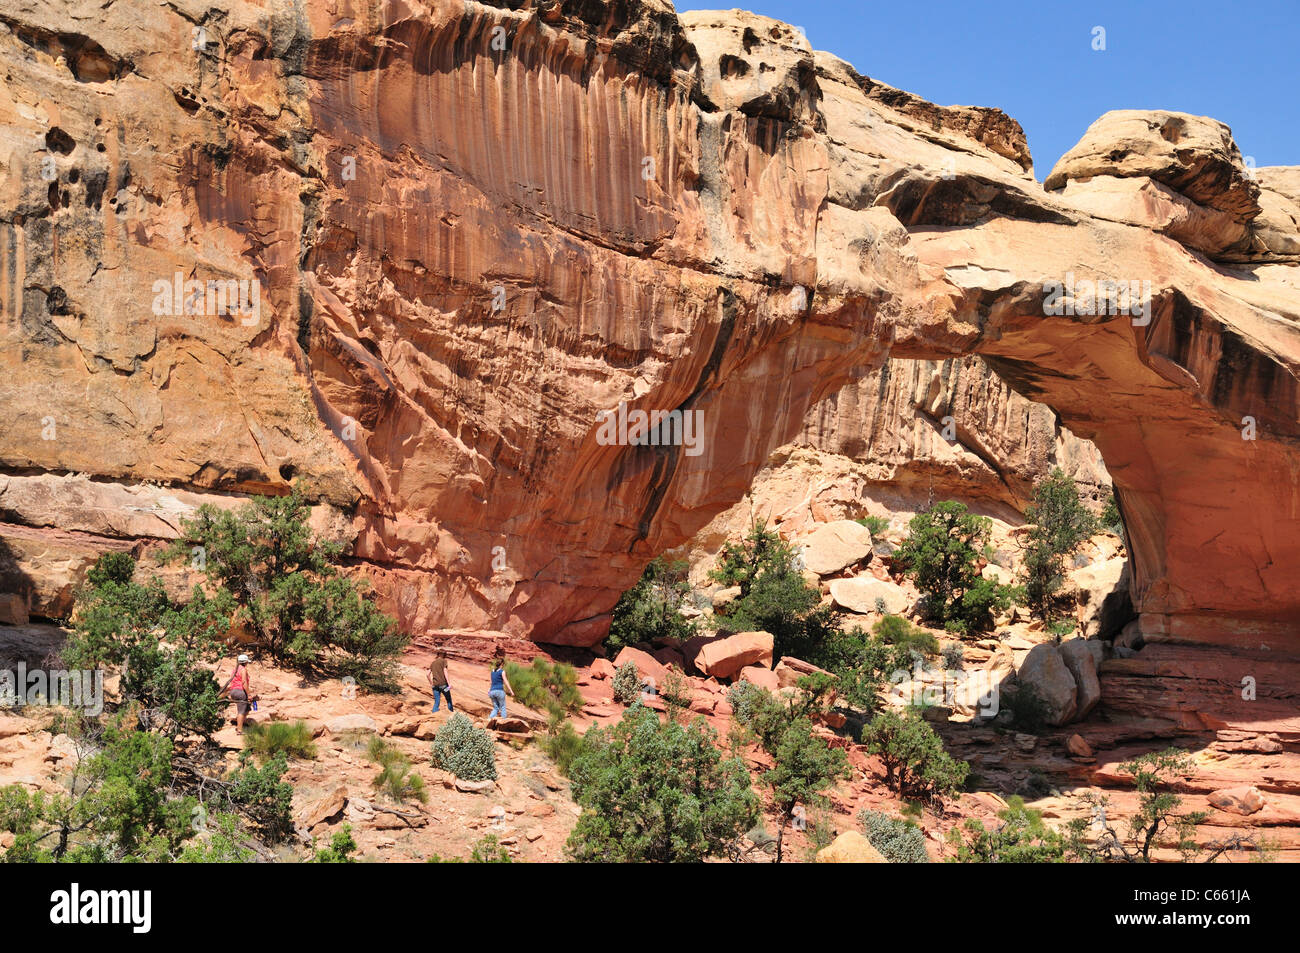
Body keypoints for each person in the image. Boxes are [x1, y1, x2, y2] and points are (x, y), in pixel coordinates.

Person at [219, 653, 254, 735]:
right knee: (241, 711)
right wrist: (249, 694)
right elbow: (244, 682)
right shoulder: (243, 670)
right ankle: (239, 730)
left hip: (233, 691)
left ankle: (239, 725)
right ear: (245, 662)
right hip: (240, 691)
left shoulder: (235, 669)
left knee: (247, 709)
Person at [488, 650, 514, 721]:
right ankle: (503, 722)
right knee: (502, 707)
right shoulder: (502, 672)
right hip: (499, 691)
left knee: (496, 708)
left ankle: (489, 719)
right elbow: (506, 681)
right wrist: (511, 691)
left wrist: (489, 690)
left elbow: (491, 682)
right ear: (502, 664)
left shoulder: (492, 671)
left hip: (492, 692)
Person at [427, 647, 454, 713]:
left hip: (435, 686)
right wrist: (449, 684)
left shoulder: (433, 663)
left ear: (438, 654)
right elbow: (445, 672)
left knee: (437, 701)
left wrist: (431, 684)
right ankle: (451, 714)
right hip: (444, 685)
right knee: (449, 700)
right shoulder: (444, 661)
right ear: (443, 655)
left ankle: (434, 712)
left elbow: (427, 674)